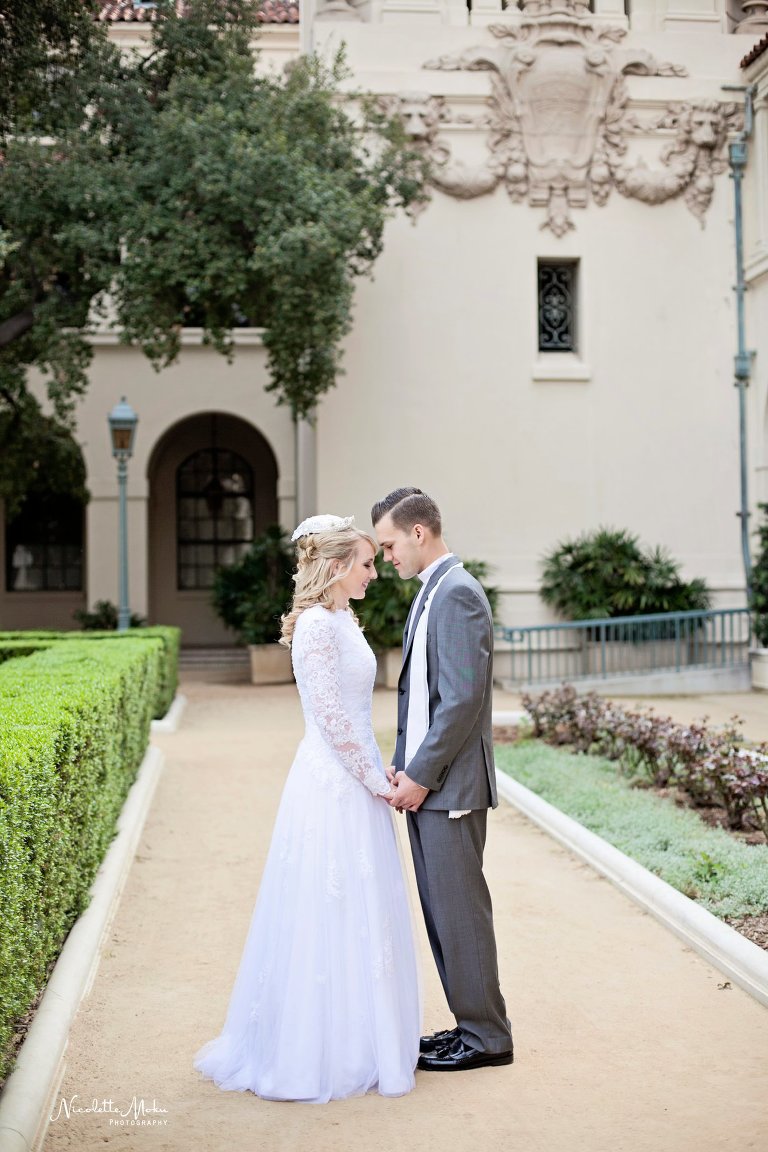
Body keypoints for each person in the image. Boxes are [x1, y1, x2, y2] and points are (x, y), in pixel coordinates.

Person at [194, 515, 421, 1102]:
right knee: (326, 906)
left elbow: (355, 713)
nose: (376, 572)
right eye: (368, 563)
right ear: (339, 565)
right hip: (333, 783)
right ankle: (314, 1051)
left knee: (360, 907)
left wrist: (382, 769)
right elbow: (330, 717)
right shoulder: (318, 625)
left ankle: (366, 1040)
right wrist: (375, 778)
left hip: (360, 775)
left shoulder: (343, 617)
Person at [372, 488, 513, 1072]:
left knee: (460, 913)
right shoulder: (434, 591)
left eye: (388, 545)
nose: (386, 557)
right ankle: (468, 1025)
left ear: (418, 533)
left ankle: (487, 1038)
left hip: (449, 788)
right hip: (431, 784)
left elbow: (459, 702)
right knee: (442, 912)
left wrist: (422, 778)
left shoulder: (457, 594)